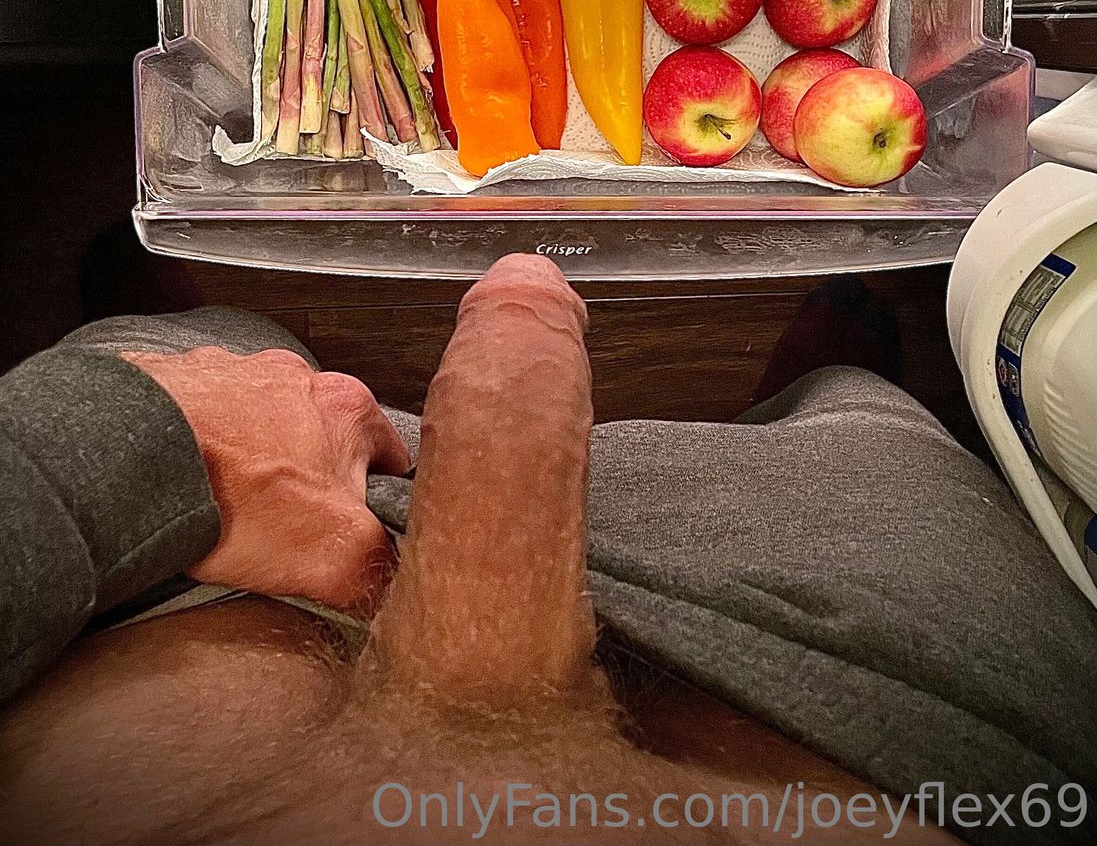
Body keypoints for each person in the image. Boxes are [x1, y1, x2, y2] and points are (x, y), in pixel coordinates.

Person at [0, 255, 1093, 846]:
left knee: (196, 354)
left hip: (180, 596)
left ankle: (201, 338)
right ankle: (811, 397)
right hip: (864, 720)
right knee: (871, 443)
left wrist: (107, 448)